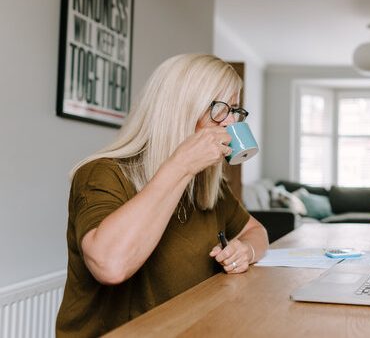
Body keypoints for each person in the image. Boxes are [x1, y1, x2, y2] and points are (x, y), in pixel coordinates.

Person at [56, 54, 269, 337]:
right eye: (220, 108)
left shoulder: (208, 184)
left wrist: (246, 251)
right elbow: (110, 266)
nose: (231, 123)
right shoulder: (101, 173)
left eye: (235, 111)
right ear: (180, 110)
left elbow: (257, 231)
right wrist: (180, 166)